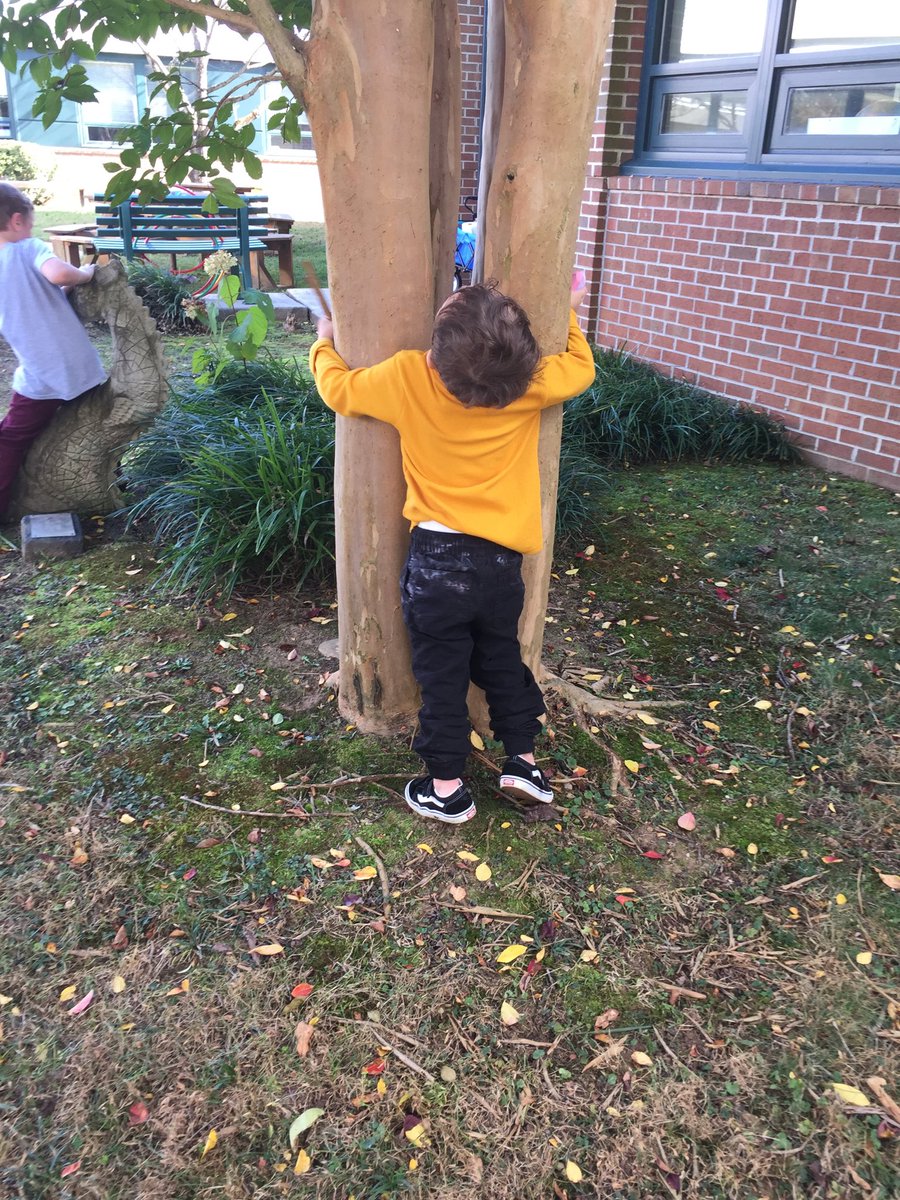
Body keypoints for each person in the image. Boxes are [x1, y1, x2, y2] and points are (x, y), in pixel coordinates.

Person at [310, 277, 596, 824]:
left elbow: (339, 391)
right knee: (501, 657)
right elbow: (580, 368)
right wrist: (570, 312)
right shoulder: (529, 382)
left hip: (437, 561)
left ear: (438, 354)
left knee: (440, 672)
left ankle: (447, 787)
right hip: (498, 563)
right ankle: (524, 763)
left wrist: (323, 341)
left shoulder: (408, 377)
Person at [0, 182, 107, 521]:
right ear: (17, 220)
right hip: (72, 366)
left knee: (10, 438)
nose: (31, 229)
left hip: (42, 372)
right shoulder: (29, 248)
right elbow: (60, 273)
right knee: (96, 424)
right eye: (30, 223)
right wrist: (86, 272)